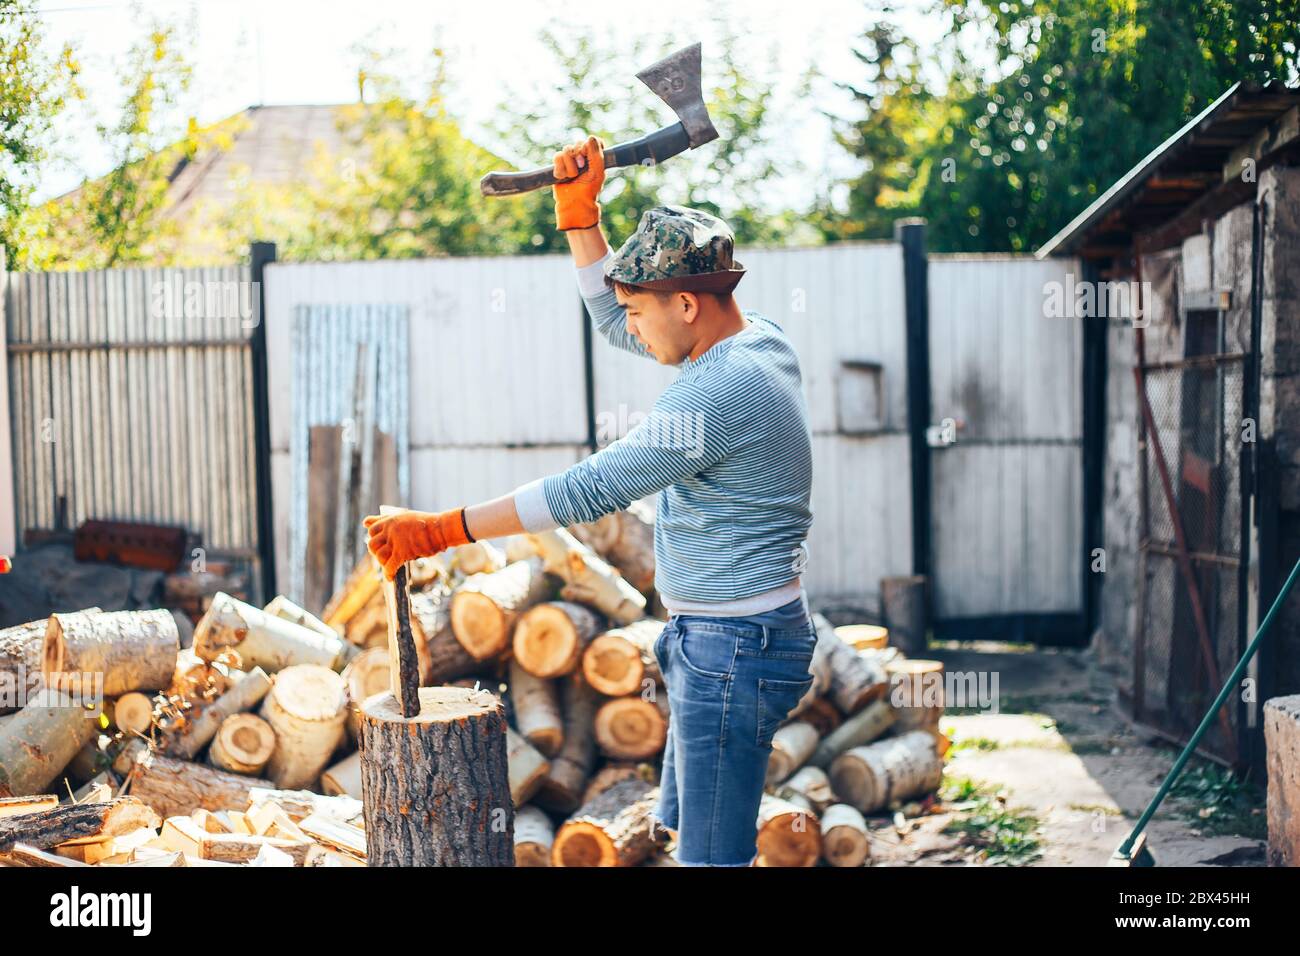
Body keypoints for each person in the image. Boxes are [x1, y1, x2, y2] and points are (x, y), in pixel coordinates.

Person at [364, 134, 816, 866]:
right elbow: (611, 317)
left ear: (689, 305)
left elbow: (591, 488)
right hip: (729, 640)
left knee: (713, 858)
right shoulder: (753, 339)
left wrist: (441, 530)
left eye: (641, 310)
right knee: (689, 832)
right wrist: (581, 219)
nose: (628, 324)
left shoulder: (719, 393)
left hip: (735, 650)